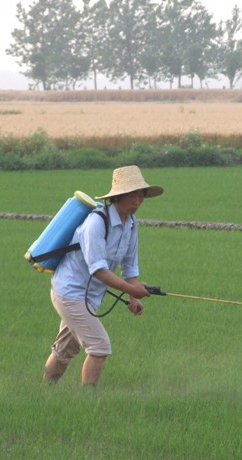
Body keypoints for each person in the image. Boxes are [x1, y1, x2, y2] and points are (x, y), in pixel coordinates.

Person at [43, 165, 164, 386]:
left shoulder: (131, 223)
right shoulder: (96, 223)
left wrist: (133, 296)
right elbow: (98, 270)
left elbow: (130, 266)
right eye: (133, 195)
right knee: (99, 347)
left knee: (65, 350)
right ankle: (89, 400)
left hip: (89, 296)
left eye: (141, 195)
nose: (138, 201)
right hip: (69, 291)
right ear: (118, 196)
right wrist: (132, 290)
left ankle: (43, 393)